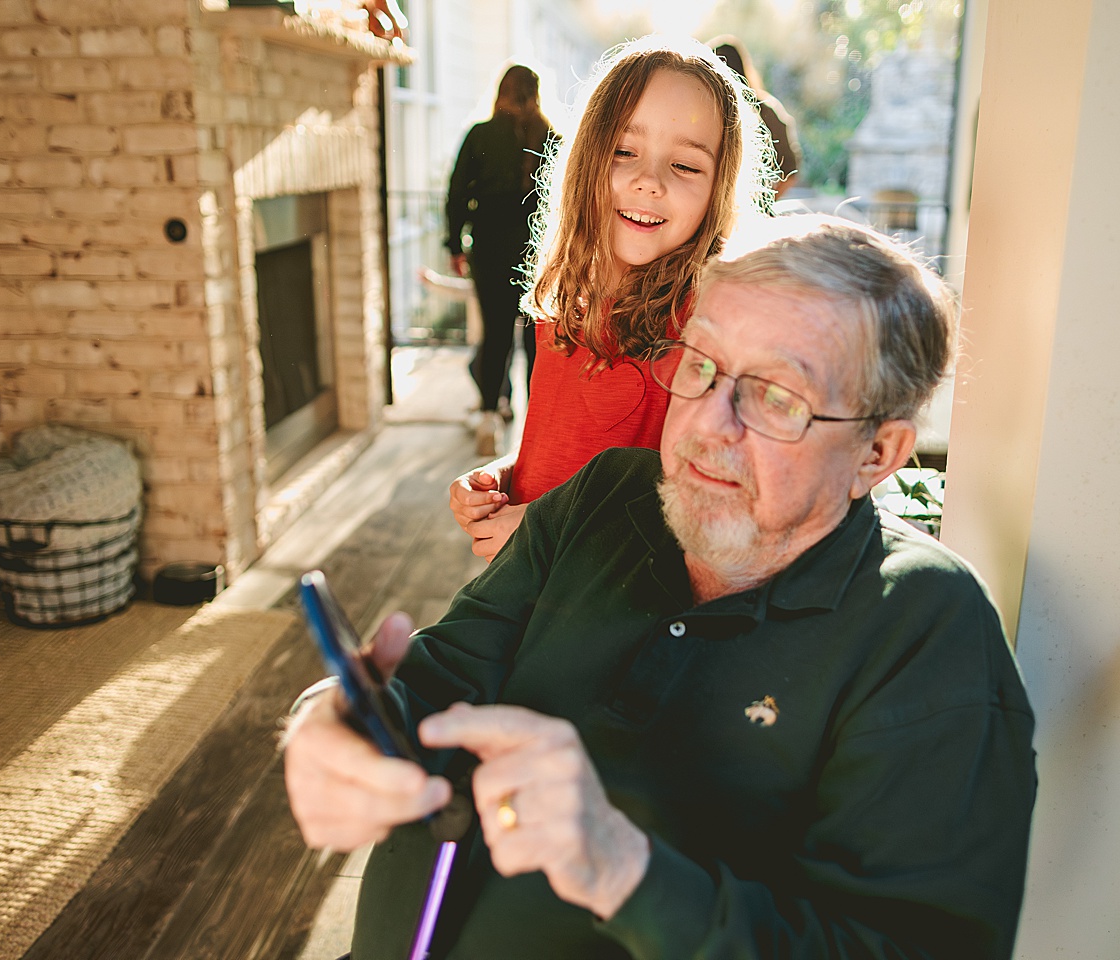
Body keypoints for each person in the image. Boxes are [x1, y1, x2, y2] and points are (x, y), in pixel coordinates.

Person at [283, 216, 1039, 960]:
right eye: (700, 366)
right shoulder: (609, 494)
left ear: (878, 453)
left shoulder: (926, 631)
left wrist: (622, 868)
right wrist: (343, 725)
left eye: (777, 397)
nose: (707, 425)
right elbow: (443, 678)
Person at [448, 36, 775, 560]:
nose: (648, 181)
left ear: (719, 187)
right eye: (625, 151)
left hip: (608, 618)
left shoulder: (706, 334)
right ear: (585, 160)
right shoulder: (568, 302)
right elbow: (565, 452)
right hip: (525, 593)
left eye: (686, 166)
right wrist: (507, 474)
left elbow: (698, 513)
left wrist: (545, 530)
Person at [443, 64, 555, 456]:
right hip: (539, 253)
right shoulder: (551, 138)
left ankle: (490, 419)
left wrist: (455, 244)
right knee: (536, 340)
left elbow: (457, 192)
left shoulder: (480, 135)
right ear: (536, 94)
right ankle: (536, 429)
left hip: (489, 250)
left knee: (494, 337)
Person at [710, 36, 803, 199]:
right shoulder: (767, 109)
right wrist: (765, 204)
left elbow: (790, 171)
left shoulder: (763, 109)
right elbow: (791, 172)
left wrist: (762, 205)